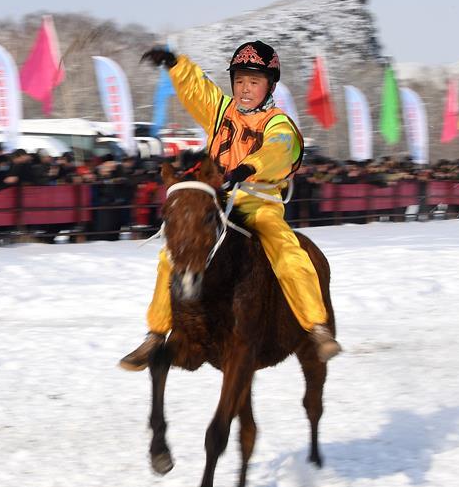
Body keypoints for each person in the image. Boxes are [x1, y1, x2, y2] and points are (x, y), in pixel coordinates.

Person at [120, 40, 341, 371]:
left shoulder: (278, 122)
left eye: (254, 82)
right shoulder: (222, 111)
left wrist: (249, 167)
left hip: (259, 205)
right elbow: (199, 90)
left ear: (269, 86)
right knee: (171, 254)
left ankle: (316, 327)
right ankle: (155, 334)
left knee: (289, 253)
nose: (245, 89)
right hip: (219, 204)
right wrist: (174, 64)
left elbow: (280, 150)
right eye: (239, 81)